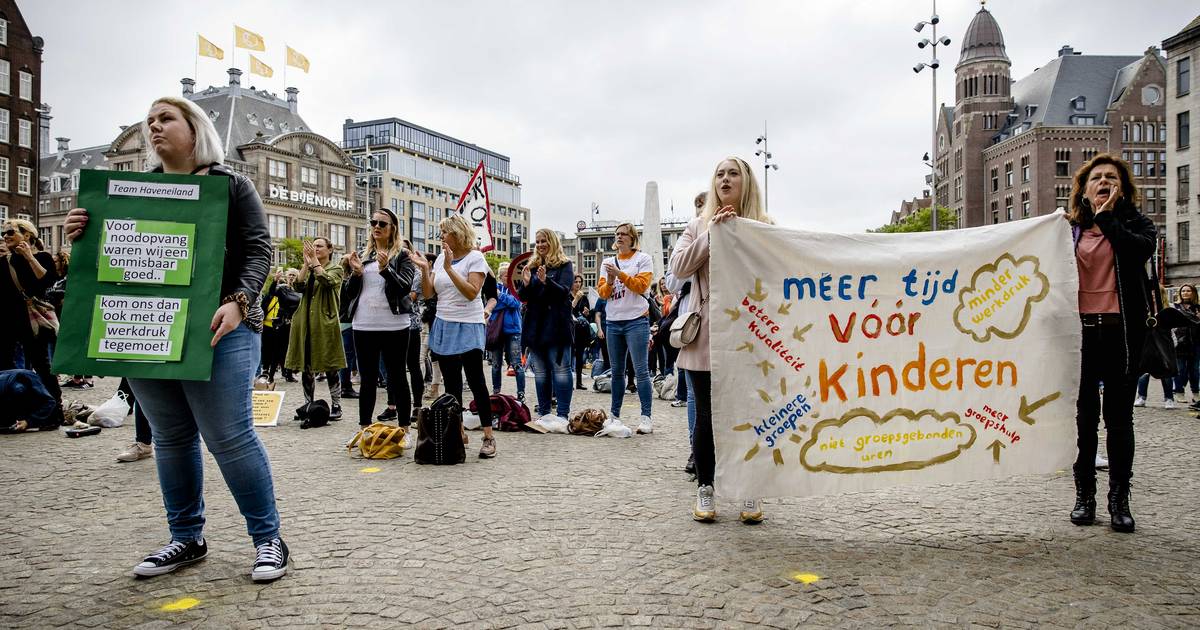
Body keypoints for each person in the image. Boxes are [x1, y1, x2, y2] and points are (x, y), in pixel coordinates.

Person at [64, 96, 288, 580]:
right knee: (169, 437)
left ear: (196, 128)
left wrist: (240, 300)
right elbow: (112, 260)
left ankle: (268, 539)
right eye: (149, 122)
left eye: (166, 119)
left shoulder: (231, 185)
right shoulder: (130, 191)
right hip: (148, 326)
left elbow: (258, 250)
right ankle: (186, 537)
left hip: (220, 327)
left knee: (230, 436)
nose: (154, 127)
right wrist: (81, 233)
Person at [671, 156, 772, 524]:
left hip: (751, 331)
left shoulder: (764, 226)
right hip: (707, 331)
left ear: (746, 182)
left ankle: (750, 488)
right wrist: (711, 236)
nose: (725, 179)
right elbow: (679, 268)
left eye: (733, 173)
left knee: (749, 413)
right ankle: (706, 488)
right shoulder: (697, 225)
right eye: (719, 174)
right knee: (707, 416)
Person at [1067, 153, 1155, 534]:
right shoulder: (1066, 230)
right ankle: (1084, 495)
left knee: (1119, 421)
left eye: (1112, 178)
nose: (1104, 182)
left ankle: (1120, 500)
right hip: (1080, 334)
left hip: (1121, 333)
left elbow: (1138, 252)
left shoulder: (1138, 226)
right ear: (1083, 190)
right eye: (1097, 178)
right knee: (1084, 420)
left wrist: (1107, 217)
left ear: (1122, 189)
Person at [422, 214, 497, 457]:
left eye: (445, 232)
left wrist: (448, 269)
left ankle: (488, 436)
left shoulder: (476, 257)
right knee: (451, 384)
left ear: (457, 233)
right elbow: (428, 293)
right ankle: (458, 431)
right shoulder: (442, 257)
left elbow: (472, 293)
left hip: (468, 323)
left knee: (476, 381)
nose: (441, 236)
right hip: (444, 323)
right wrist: (426, 270)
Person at [341, 209, 416, 428]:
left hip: (395, 325)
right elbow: (349, 293)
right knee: (368, 380)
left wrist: (385, 270)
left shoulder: (402, 255)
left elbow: (404, 287)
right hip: (364, 324)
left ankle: (404, 429)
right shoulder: (364, 257)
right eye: (373, 222)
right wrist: (355, 274)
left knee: (398, 378)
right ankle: (365, 428)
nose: (376, 227)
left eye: (382, 224)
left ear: (393, 227)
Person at [0, 217, 62, 430]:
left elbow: (47, 283)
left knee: (42, 366)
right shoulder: (5, 261)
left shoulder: (42, 257)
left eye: (10, 232)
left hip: (33, 321)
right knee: (6, 368)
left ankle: (54, 413)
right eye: (3, 233)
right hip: (8, 321)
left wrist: (28, 257)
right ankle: (11, 413)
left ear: (26, 235)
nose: (5, 236)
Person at [597, 222, 656, 434]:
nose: (619, 237)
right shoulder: (607, 262)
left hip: (636, 319)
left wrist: (620, 275)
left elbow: (642, 285)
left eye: (624, 234)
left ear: (632, 238)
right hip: (613, 321)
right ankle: (614, 415)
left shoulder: (643, 259)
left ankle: (646, 417)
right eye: (617, 234)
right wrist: (611, 280)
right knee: (617, 372)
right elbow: (603, 294)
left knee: (641, 370)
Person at [285, 237, 346, 420]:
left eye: (319, 246)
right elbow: (298, 286)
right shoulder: (310, 268)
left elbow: (326, 281)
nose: (315, 248)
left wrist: (315, 263)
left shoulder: (336, 268)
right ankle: (308, 404)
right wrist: (306, 264)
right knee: (307, 365)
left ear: (330, 249)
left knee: (331, 364)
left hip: (325, 321)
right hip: (305, 322)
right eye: (314, 246)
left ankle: (336, 405)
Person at [520, 228, 576, 422]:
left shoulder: (564, 265)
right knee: (541, 372)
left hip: (557, 325)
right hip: (536, 326)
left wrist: (546, 283)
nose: (541, 245)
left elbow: (564, 292)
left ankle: (562, 414)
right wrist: (526, 284)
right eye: (537, 242)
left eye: (544, 241)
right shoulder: (533, 266)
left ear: (552, 242)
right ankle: (544, 413)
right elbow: (524, 298)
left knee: (561, 370)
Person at [487, 261, 526, 401]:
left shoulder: (517, 288)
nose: (507, 278)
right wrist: (505, 301)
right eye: (505, 275)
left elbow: (517, 304)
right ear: (500, 276)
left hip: (513, 330)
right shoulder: (493, 287)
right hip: (497, 330)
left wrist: (501, 297)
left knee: (517, 364)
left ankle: (521, 393)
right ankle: (496, 392)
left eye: (509, 275)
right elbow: (492, 305)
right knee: (496, 364)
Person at [259, 268, 300, 383]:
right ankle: (270, 375)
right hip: (282, 322)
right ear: (287, 277)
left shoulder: (300, 290)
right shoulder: (282, 289)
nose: (291, 277)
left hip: (294, 323)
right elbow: (271, 292)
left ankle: (289, 373)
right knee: (276, 350)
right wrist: (275, 280)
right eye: (290, 275)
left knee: (289, 349)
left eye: (294, 275)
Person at [1172, 284, 1200, 403]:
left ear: (1193, 293)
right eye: (1183, 291)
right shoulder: (1175, 307)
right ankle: (1179, 392)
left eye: (1188, 291)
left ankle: (1195, 393)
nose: (1185, 293)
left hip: (1196, 342)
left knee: (1194, 369)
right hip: (1180, 342)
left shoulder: (1198, 308)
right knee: (1180, 369)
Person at [571, 275, 593, 390]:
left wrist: (586, 313)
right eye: (575, 282)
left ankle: (579, 382)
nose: (578, 284)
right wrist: (576, 299)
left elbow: (587, 316)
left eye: (580, 282)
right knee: (569, 355)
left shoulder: (584, 298)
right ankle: (568, 381)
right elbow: (568, 310)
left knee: (580, 356)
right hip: (570, 329)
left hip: (580, 330)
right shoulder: (568, 295)